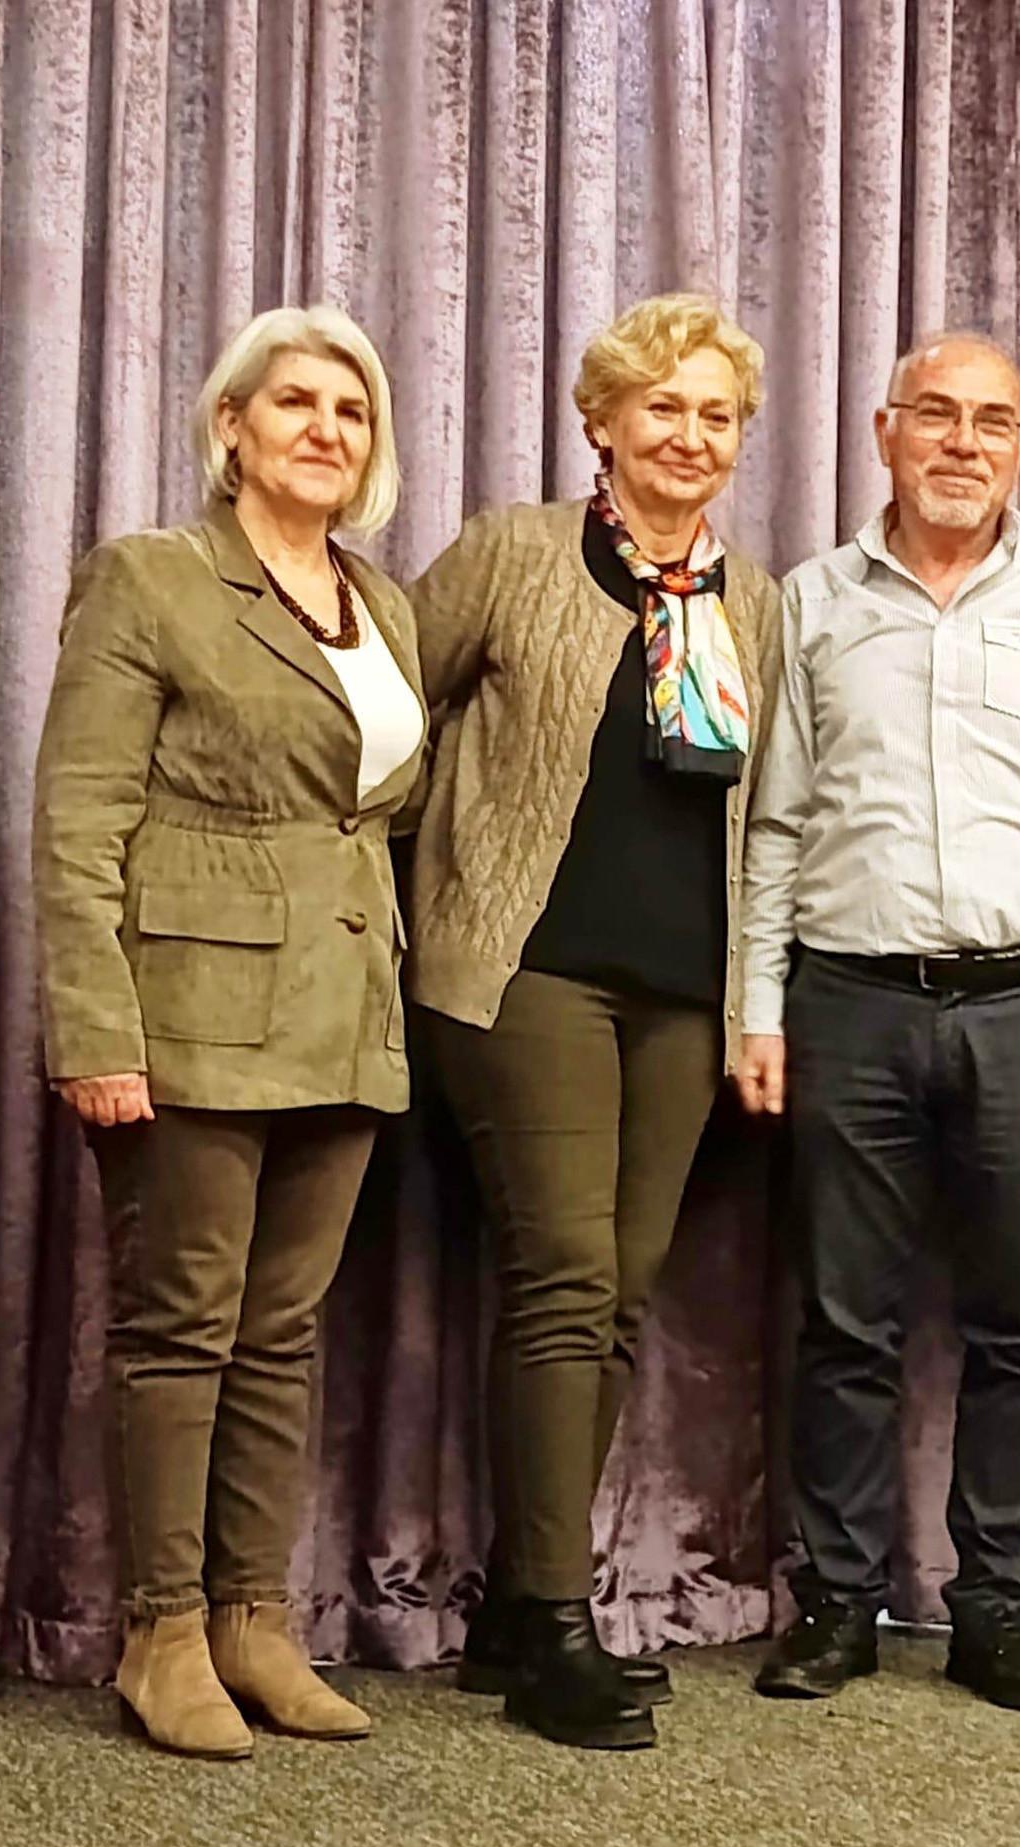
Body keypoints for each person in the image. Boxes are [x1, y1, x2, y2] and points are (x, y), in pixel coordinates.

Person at [737, 331, 1020, 1713]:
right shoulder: (814, 600)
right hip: (851, 1003)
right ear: (885, 431)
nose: (963, 442)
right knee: (842, 1324)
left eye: (993, 421)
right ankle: (836, 1604)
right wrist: (759, 1004)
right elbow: (776, 822)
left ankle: (998, 1608)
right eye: (935, 413)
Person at [32, 306, 424, 1757]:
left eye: (353, 410)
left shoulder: (384, 605)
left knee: (281, 1336)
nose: (327, 429)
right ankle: (163, 1635)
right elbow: (79, 819)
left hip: (345, 1018)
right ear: (232, 427)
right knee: (183, 1328)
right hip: (190, 1019)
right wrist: (96, 1029)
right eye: (297, 402)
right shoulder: (154, 578)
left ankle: (257, 1621)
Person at [406, 293, 781, 1752]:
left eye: (715, 414)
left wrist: (753, 1001)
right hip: (529, 975)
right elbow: (387, 721)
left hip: (682, 992)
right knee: (563, 1277)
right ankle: (559, 1625)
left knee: (619, 1291)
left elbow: (765, 813)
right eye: (662, 407)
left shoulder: (753, 602)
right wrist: (415, 894)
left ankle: (519, 1606)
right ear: (603, 421)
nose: (689, 435)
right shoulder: (512, 551)